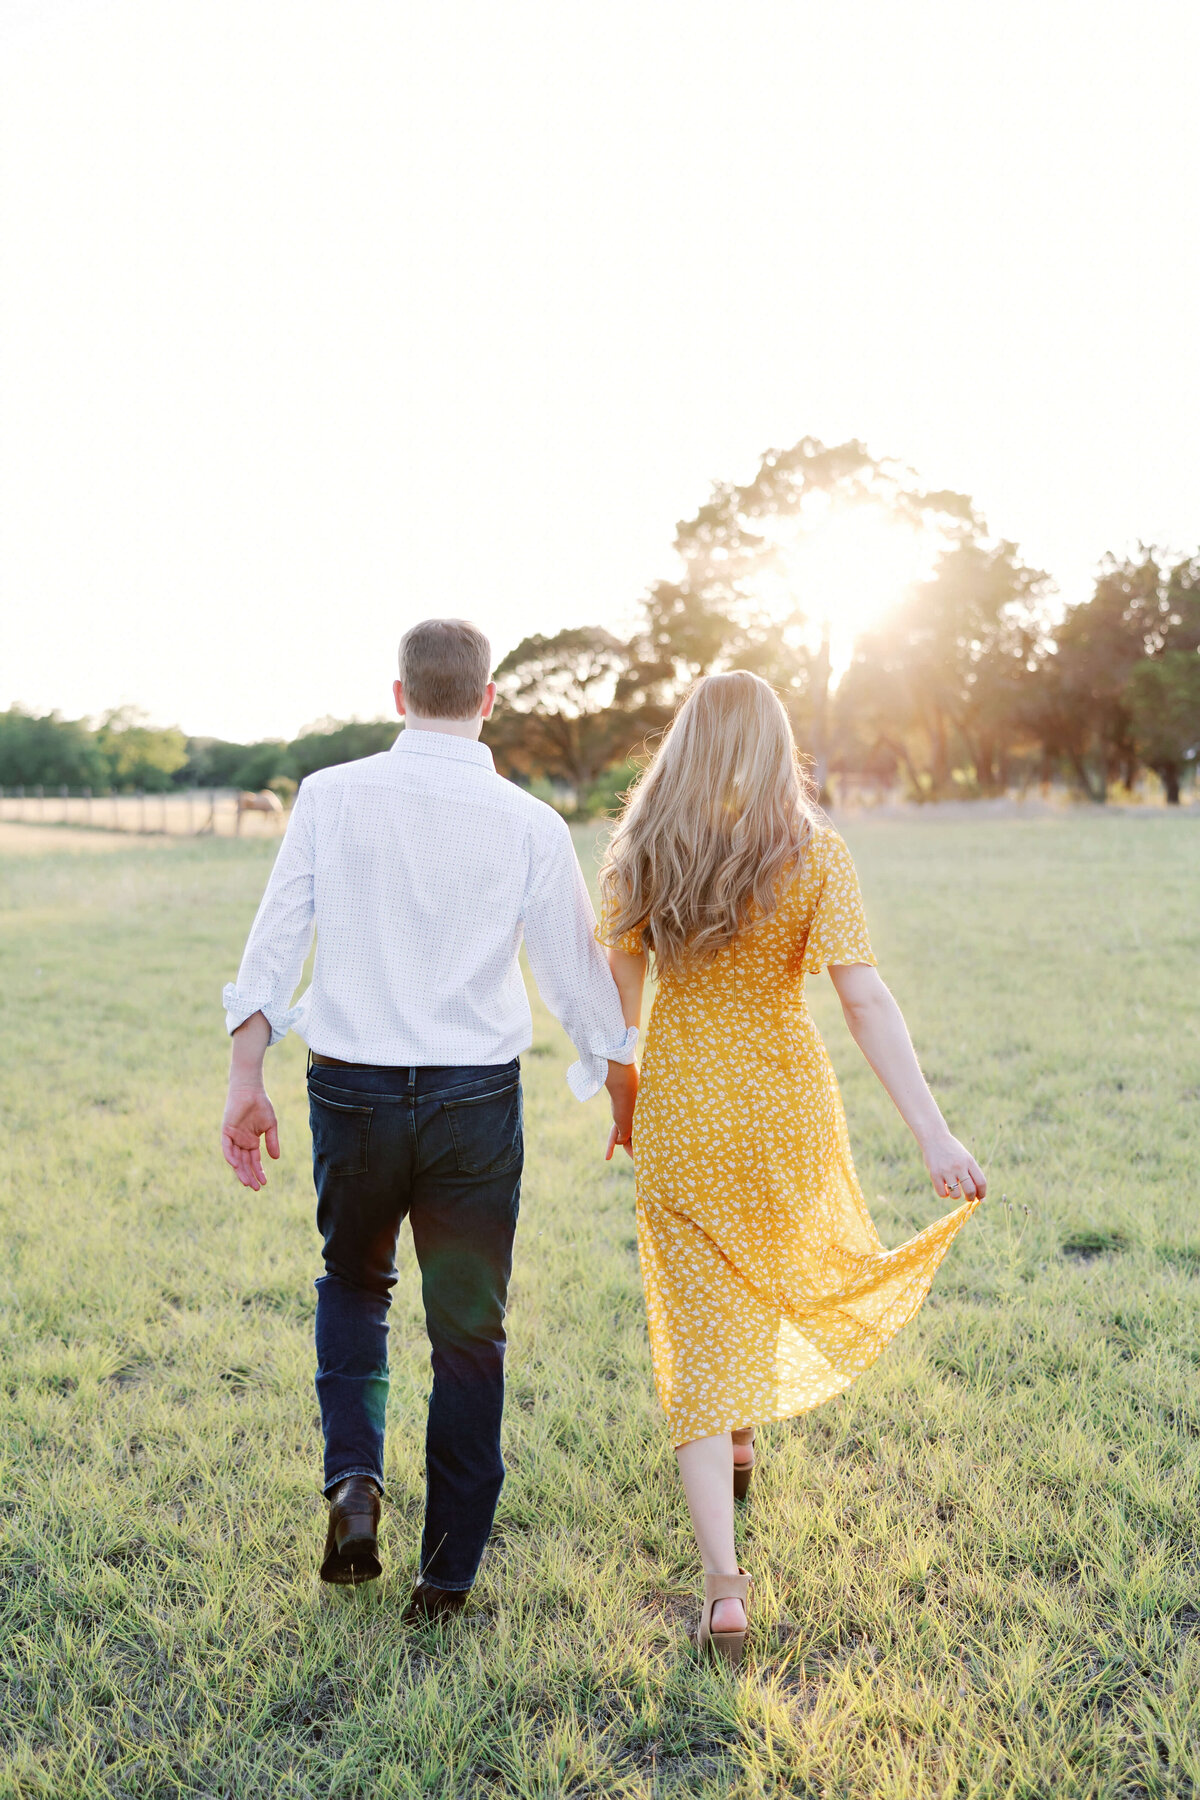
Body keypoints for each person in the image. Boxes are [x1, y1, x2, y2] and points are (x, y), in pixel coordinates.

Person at [220, 619, 637, 1617]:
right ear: (488, 699)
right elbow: (579, 980)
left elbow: (275, 944)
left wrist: (246, 1074)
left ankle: (354, 1484)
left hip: (352, 1090)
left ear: (399, 696)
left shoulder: (329, 795)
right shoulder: (530, 822)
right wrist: (621, 1084)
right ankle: (445, 1574)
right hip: (473, 1101)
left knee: (354, 1284)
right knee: (468, 1333)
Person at [598, 670, 985, 1667]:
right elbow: (863, 1001)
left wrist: (620, 1096)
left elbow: (619, 1000)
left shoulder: (643, 848)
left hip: (683, 1106)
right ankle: (740, 1434)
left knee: (695, 1328)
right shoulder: (815, 851)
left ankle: (724, 1589)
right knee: (764, 1265)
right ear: (779, 749)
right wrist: (934, 1134)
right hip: (783, 1105)